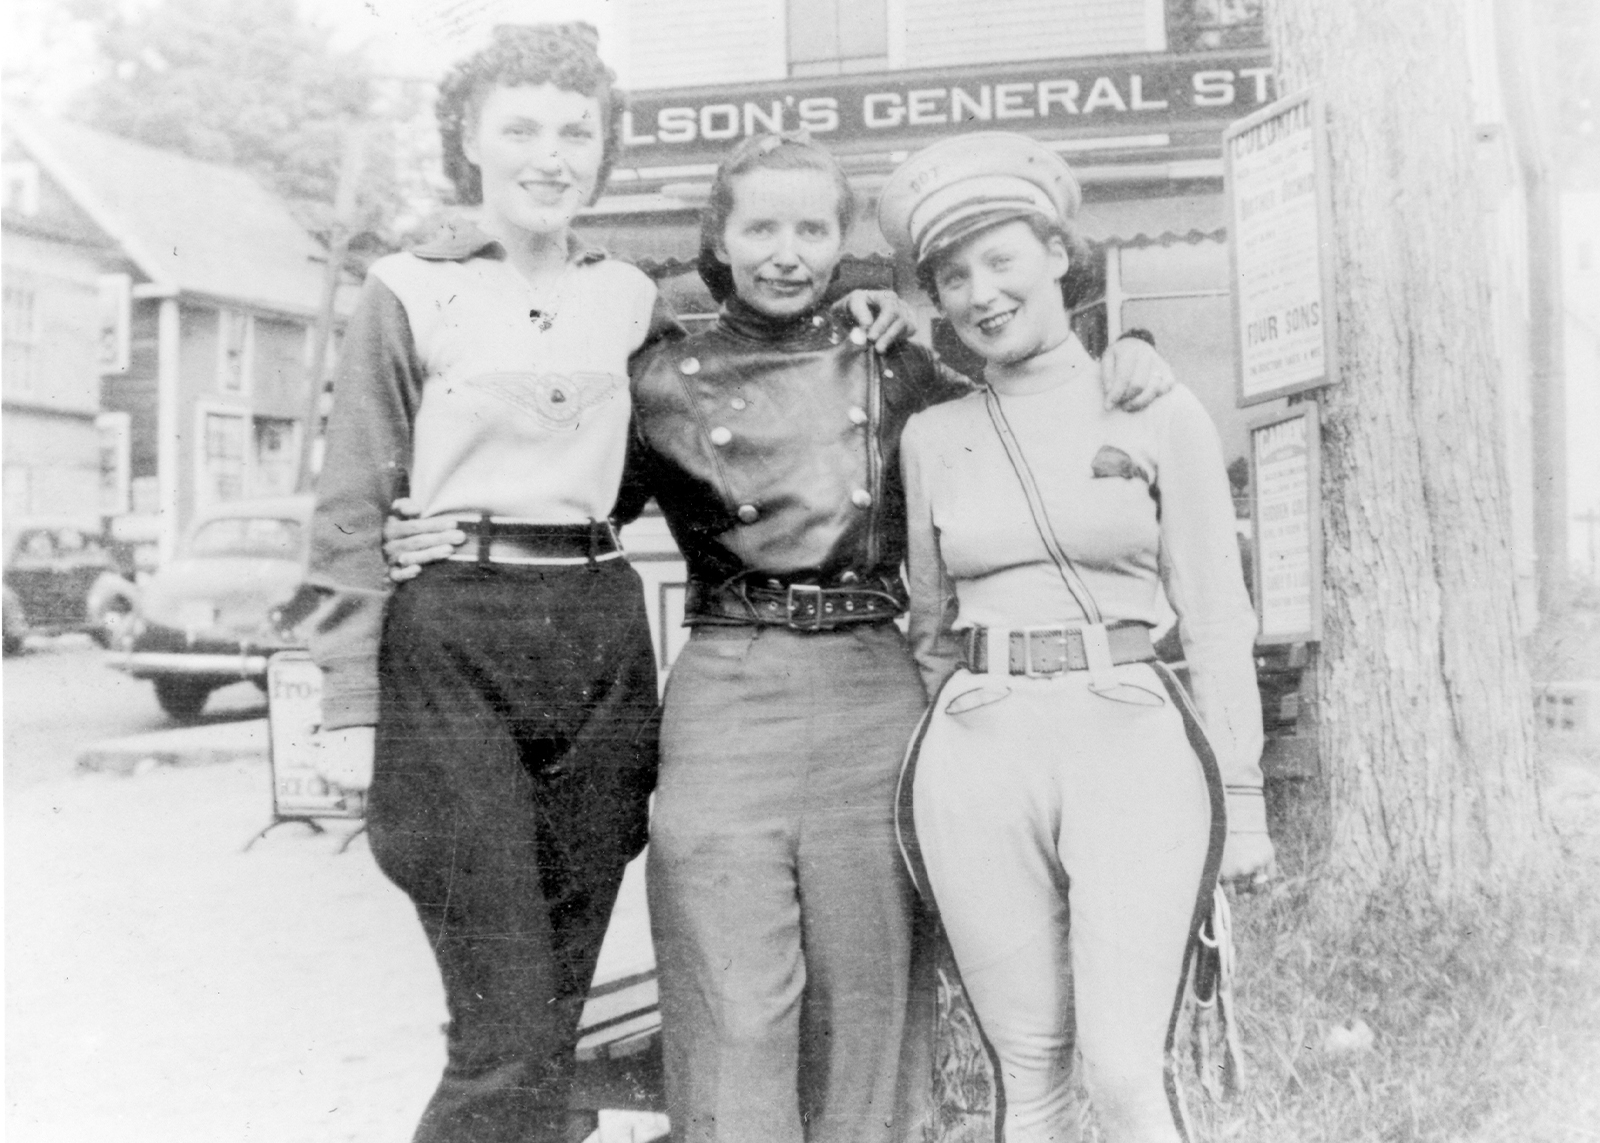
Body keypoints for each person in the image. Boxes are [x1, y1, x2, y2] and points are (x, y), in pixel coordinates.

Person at [382, 129, 1176, 1143]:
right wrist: (436, 521)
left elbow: (1021, 407)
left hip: (869, 688)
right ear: (720, 235)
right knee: (728, 998)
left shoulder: (894, 363)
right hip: (727, 687)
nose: (786, 252)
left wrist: (1124, 364)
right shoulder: (657, 376)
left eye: (812, 227)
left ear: (844, 241)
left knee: (868, 995)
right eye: (761, 227)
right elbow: (558, 481)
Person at [880, 132, 1274, 1143]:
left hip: (1129, 737)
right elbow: (927, 621)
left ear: (1059, 253)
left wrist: (1239, 789)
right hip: (980, 750)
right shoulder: (931, 436)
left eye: (1001, 258)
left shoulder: (1155, 403)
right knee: (1029, 1069)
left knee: (1120, 1066)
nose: (980, 292)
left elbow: (1217, 610)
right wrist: (966, 731)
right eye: (953, 275)